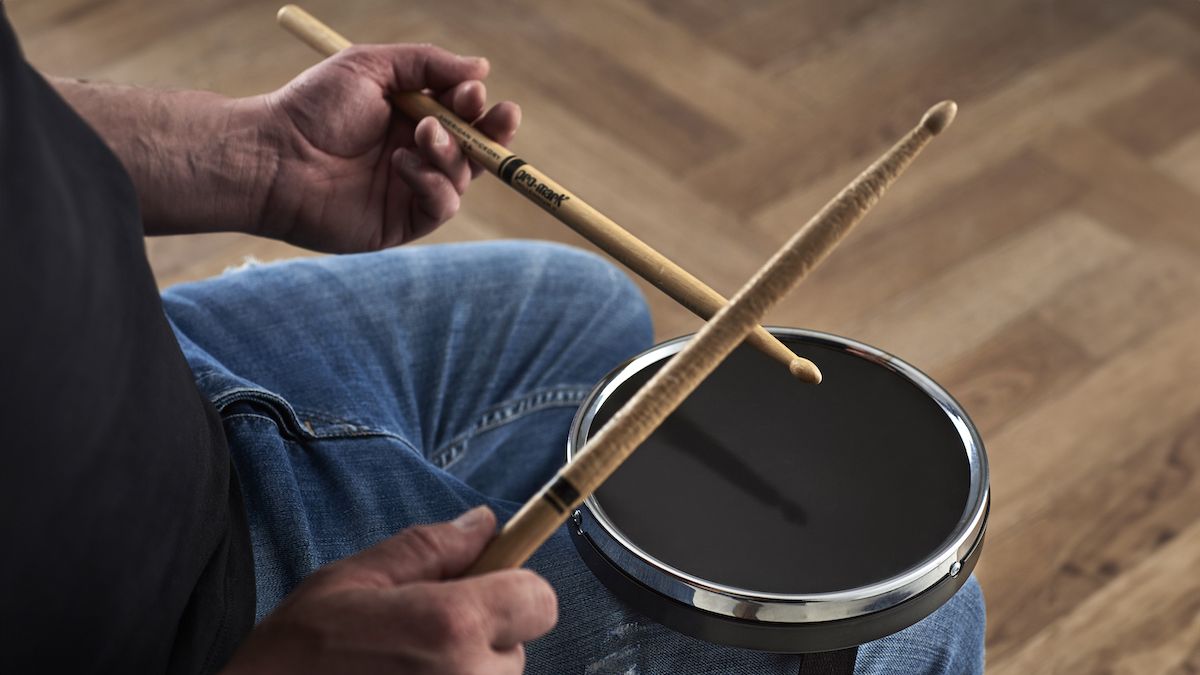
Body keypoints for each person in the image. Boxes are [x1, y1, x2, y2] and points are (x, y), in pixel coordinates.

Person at [0, 6, 985, 674]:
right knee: (914, 625)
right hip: (163, 622)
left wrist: (254, 157)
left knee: (579, 306)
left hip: (152, 370)